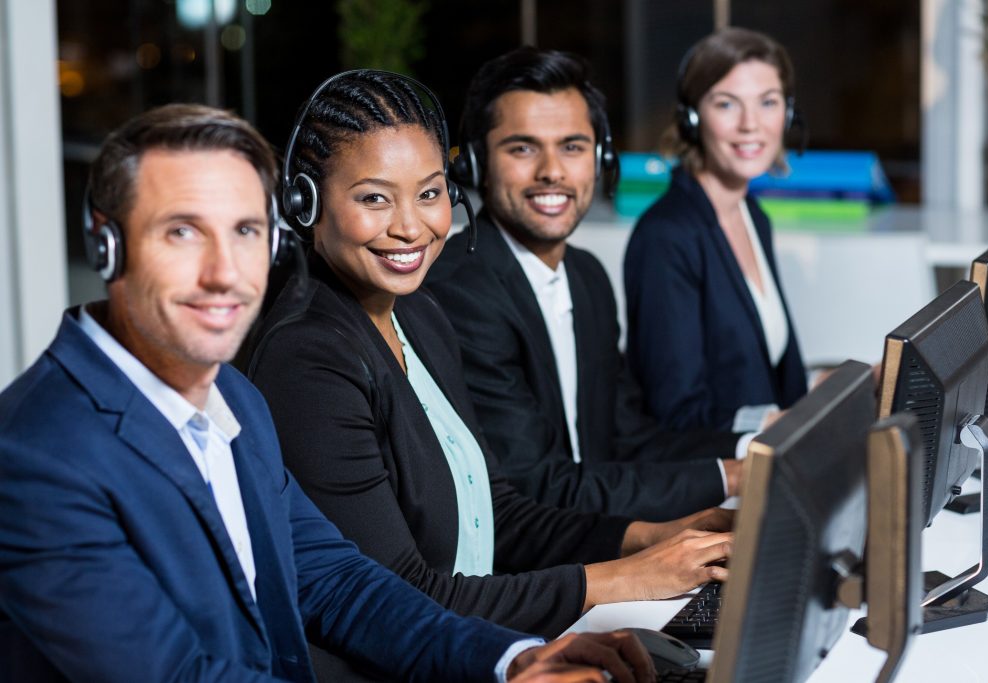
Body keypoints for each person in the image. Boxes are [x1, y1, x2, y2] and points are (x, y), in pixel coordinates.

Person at [0, 103, 656, 683]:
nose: (224, 273)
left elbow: (339, 581)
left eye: (246, 231)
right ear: (106, 244)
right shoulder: (37, 456)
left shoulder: (229, 396)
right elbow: (182, 673)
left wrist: (508, 659)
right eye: (183, 232)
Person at [247, 70, 733, 649]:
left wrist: (657, 535)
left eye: (429, 193)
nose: (410, 227)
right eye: (374, 198)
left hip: (479, 639)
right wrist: (622, 578)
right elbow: (402, 597)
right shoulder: (307, 358)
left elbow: (497, 514)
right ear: (305, 205)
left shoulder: (420, 315)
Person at [427, 47, 746, 520]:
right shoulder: (462, 291)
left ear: (601, 159)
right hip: (532, 574)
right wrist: (735, 477)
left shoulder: (587, 277)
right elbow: (538, 486)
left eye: (572, 146)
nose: (552, 171)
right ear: (474, 165)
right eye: (523, 148)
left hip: (597, 541)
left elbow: (630, 440)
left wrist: (756, 448)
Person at [624, 27, 808, 434]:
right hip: (716, 485)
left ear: (787, 114)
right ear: (692, 119)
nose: (751, 124)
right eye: (726, 104)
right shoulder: (666, 237)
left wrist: (865, 381)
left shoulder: (752, 215)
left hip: (776, 465)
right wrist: (788, 423)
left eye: (768, 103)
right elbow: (678, 414)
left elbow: (770, 381)